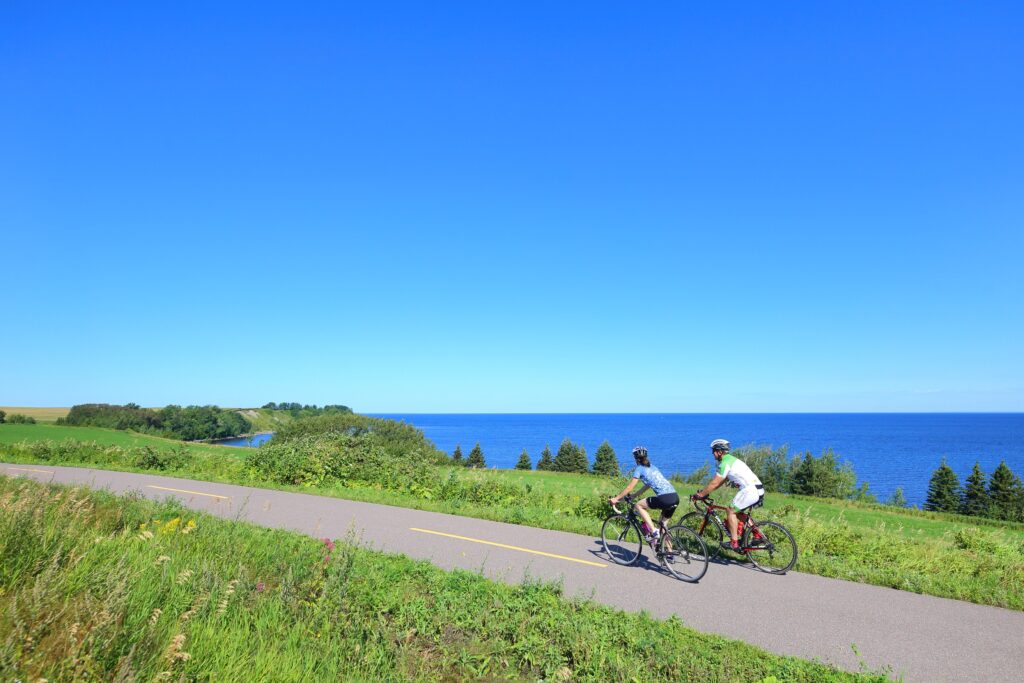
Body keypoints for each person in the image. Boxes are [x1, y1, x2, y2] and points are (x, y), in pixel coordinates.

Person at [692, 439, 765, 551]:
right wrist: (705, 492)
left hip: (750, 490)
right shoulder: (732, 460)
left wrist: (700, 495)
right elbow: (720, 482)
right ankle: (757, 535)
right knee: (738, 512)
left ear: (719, 452)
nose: (713, 454)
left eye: (714, 451)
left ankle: (734, 542)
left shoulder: (724, 463)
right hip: (757, 489)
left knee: (730, 511)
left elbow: (715, 482)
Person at [609, 446, 680, 543]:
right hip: (675, 497)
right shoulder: (653, 467)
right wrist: (634, 495)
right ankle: (669, 554)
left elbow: (630, 487)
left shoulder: (639, 469)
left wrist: (616, 498)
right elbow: (647, 486)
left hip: (664, 498)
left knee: (638, 505)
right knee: (663, 527)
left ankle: (653, 531)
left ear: (635, 458)